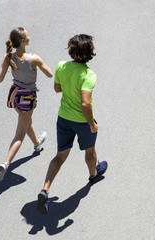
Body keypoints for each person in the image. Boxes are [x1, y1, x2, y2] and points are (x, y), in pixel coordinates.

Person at [37, 34, 107, 214]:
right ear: (90, 53)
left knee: (60, 156)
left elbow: (57, 88)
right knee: (90, 151)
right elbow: (85, 104)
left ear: (71, 51)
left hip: (64, 119)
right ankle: (93, 175)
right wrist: (91, 123)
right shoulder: (89, 75)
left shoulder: (61, 66)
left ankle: (45, 189)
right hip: (82, 122)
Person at [0, 27, 53, 182]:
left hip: (15, 95)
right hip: (27, 98)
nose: (29, 37)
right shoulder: (34, 58)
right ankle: (6, 163)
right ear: (22, 41)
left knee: (26, 121)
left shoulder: (9, 56)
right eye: (27, 36)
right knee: (20, 133)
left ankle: (37, 143)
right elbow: (50, 74)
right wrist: (39, 65)